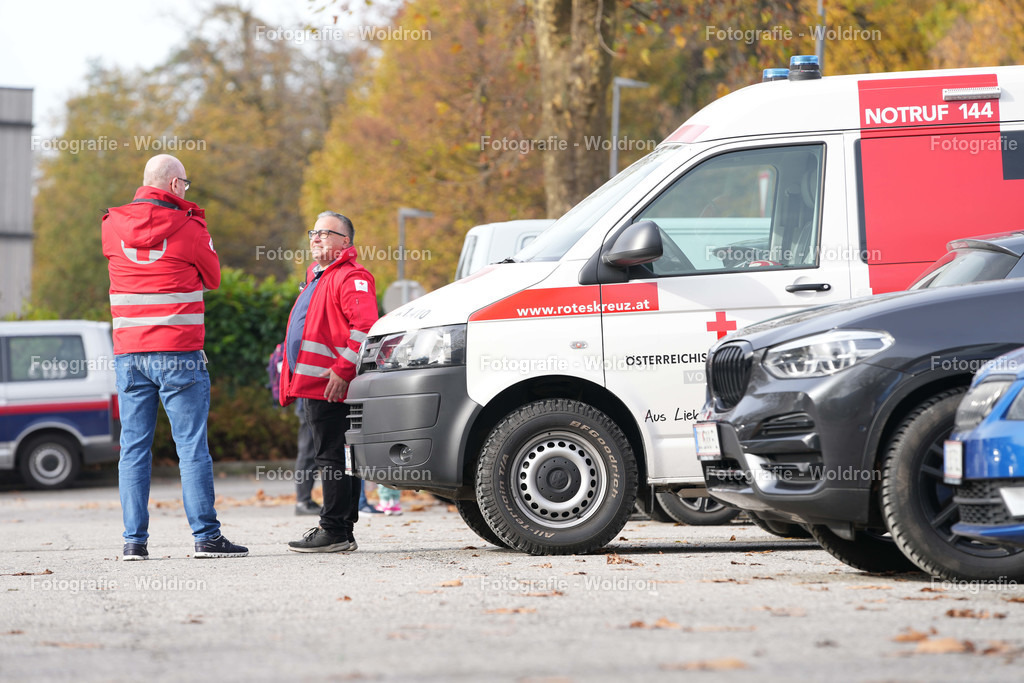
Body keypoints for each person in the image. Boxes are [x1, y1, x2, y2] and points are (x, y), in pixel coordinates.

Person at [102, 153, 247, 560]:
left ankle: (134, 541)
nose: (187, 189)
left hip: (130, 353)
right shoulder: (190, 227)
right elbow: (214, 277)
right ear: (174, 185)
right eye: (185, 183)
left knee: (133, 448)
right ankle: (206, 536)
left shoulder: (111, 225)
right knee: (191, 447)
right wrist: (193, 220)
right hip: (179, 353)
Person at [280, 211, 378, 553]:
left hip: (331, 384)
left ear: (345, 242)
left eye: (325, 233)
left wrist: (342, 370)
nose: (316, 238)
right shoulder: (318, 277)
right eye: (313, 232)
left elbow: (365, 328)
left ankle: (334, 529)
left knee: (331, 457)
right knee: (339, 456)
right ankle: (342, 529)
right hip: (315, 384)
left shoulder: (351, 277)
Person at [268, 344, 319, 515]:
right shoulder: (305, 329)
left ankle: (304, 500)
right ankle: (302, 501)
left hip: (307, 399)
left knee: (311, 450)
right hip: (308, 399)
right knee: (308, 451)